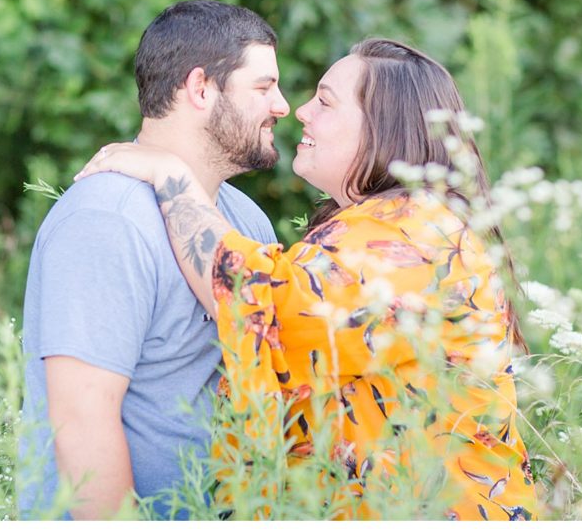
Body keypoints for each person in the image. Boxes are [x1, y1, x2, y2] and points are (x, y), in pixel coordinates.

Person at [74, 38, 539, 520]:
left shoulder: (416, 236)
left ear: (383, 128)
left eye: (325, 100)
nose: (300, 111)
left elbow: (266, 303)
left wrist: (169, 175)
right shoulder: (385, 224)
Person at [18, 0, 289, 520]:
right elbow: (81, 422)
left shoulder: (245, 219)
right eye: (263, 87)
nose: (281, 105)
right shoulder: (107, 219)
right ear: (201, 88)